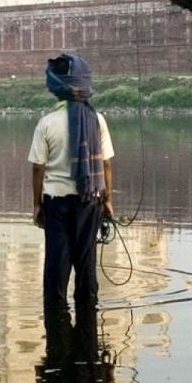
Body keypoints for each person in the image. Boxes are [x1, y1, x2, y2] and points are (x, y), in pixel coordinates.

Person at [28, 52, 114, 307]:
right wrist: (107, 200)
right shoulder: (96, 120)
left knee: (57, 258)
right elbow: (106, 163)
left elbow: (38, 168)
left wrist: (37, 205)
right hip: (90, 200)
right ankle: (87, 314)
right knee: (86, 259)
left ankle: (56, 316)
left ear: (56, 88)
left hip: (56, 202)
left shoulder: (46, 123)